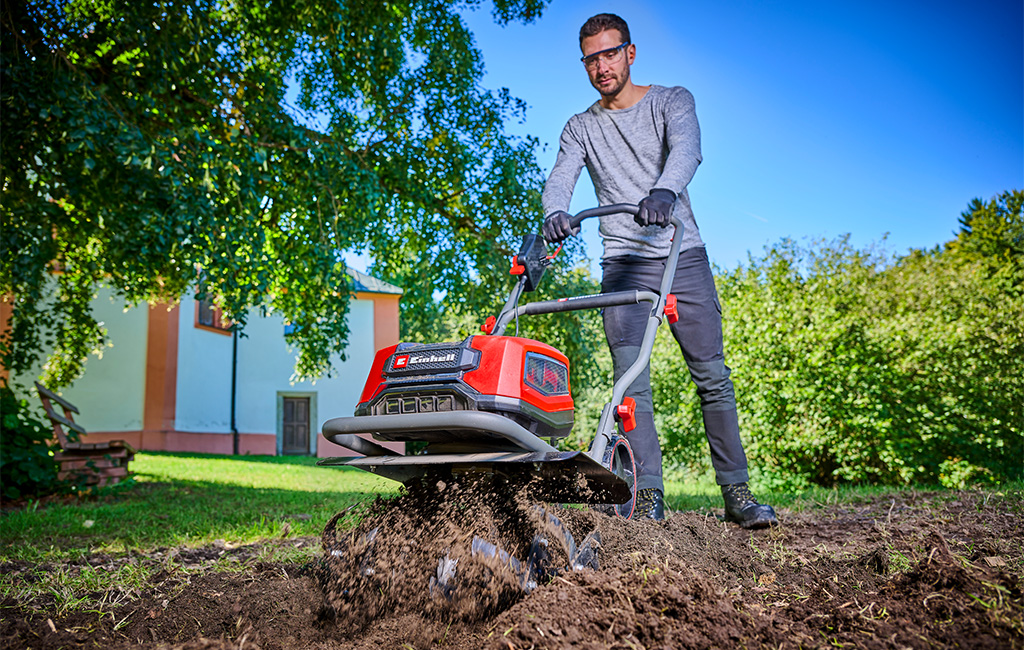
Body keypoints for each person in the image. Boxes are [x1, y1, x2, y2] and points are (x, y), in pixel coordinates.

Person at [541, 13, 778, 528]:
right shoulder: (580, 126)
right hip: (623, 266)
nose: (601, 66)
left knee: (712, 376)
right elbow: (561, 175)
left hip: (681, 253)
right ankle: (647, 496)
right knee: (631, 384)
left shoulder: (673, 100)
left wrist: (665, 191)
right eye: (591, 59)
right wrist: (554, 213)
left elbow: (687, 150)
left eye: (610, 53)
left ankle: (737, 494)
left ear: (630, 52)